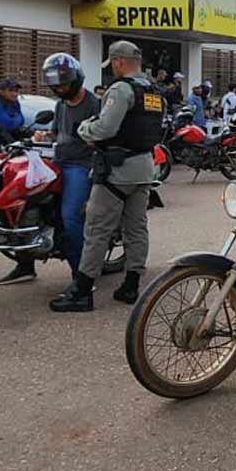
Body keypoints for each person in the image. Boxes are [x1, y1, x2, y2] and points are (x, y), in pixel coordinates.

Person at [50, 40, 164, 312]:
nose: (111, 68)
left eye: (112, 63)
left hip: (117, 171)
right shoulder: (153, 91)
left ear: (119, 62)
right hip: (144, 168)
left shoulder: (121, 89)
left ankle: (81, 291)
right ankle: (131, 284)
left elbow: (106, 128)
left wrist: (84, 129)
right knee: (136, 228)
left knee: (96, 229)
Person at [0, 54, 100, 290]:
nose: (59, 88)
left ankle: (81, 277)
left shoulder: (94, 104)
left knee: (71, 216)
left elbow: (102, 135)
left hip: (80, 165)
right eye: (56, 85)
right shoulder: (61, 105)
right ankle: (25, 264)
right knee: (22, 204)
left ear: (76, 80)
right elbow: (56, 133)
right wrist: (43, 136)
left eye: (63, 83)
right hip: (58, 161)